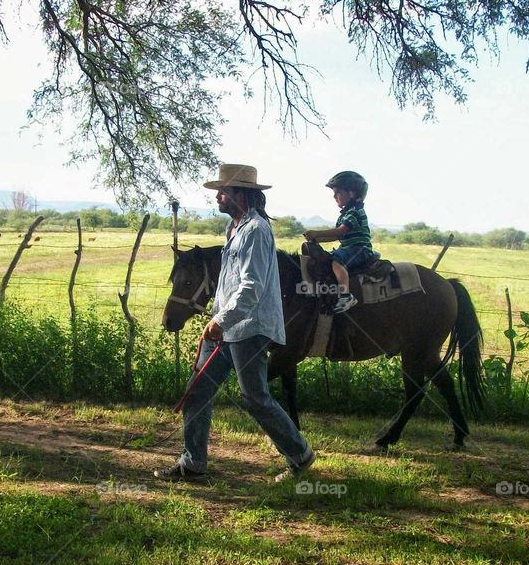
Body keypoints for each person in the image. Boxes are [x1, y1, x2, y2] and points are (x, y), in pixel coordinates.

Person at [156, 163, 316, 483]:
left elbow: (252, 286)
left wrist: (222, 320)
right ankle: (193, 463)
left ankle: (300, 456)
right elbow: (228, 284)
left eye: (223, 191)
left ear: (241, 194)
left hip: (249, 327)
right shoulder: (234, 229)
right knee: (197, 390)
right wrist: (217, 319)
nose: (218, 197)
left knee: (255, 398)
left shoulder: (256, 230)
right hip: (225, 326)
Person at [304, 171, 377, 313]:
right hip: (349, 247)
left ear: (352, 193)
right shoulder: (346, 214)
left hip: (359, 248)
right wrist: (316, 239)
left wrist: (317, 233)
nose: (334, 196)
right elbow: (335, 237)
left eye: (338, 192)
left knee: (337, 262)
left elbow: (339, 232)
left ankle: (345, 296)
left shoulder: (355, 212)